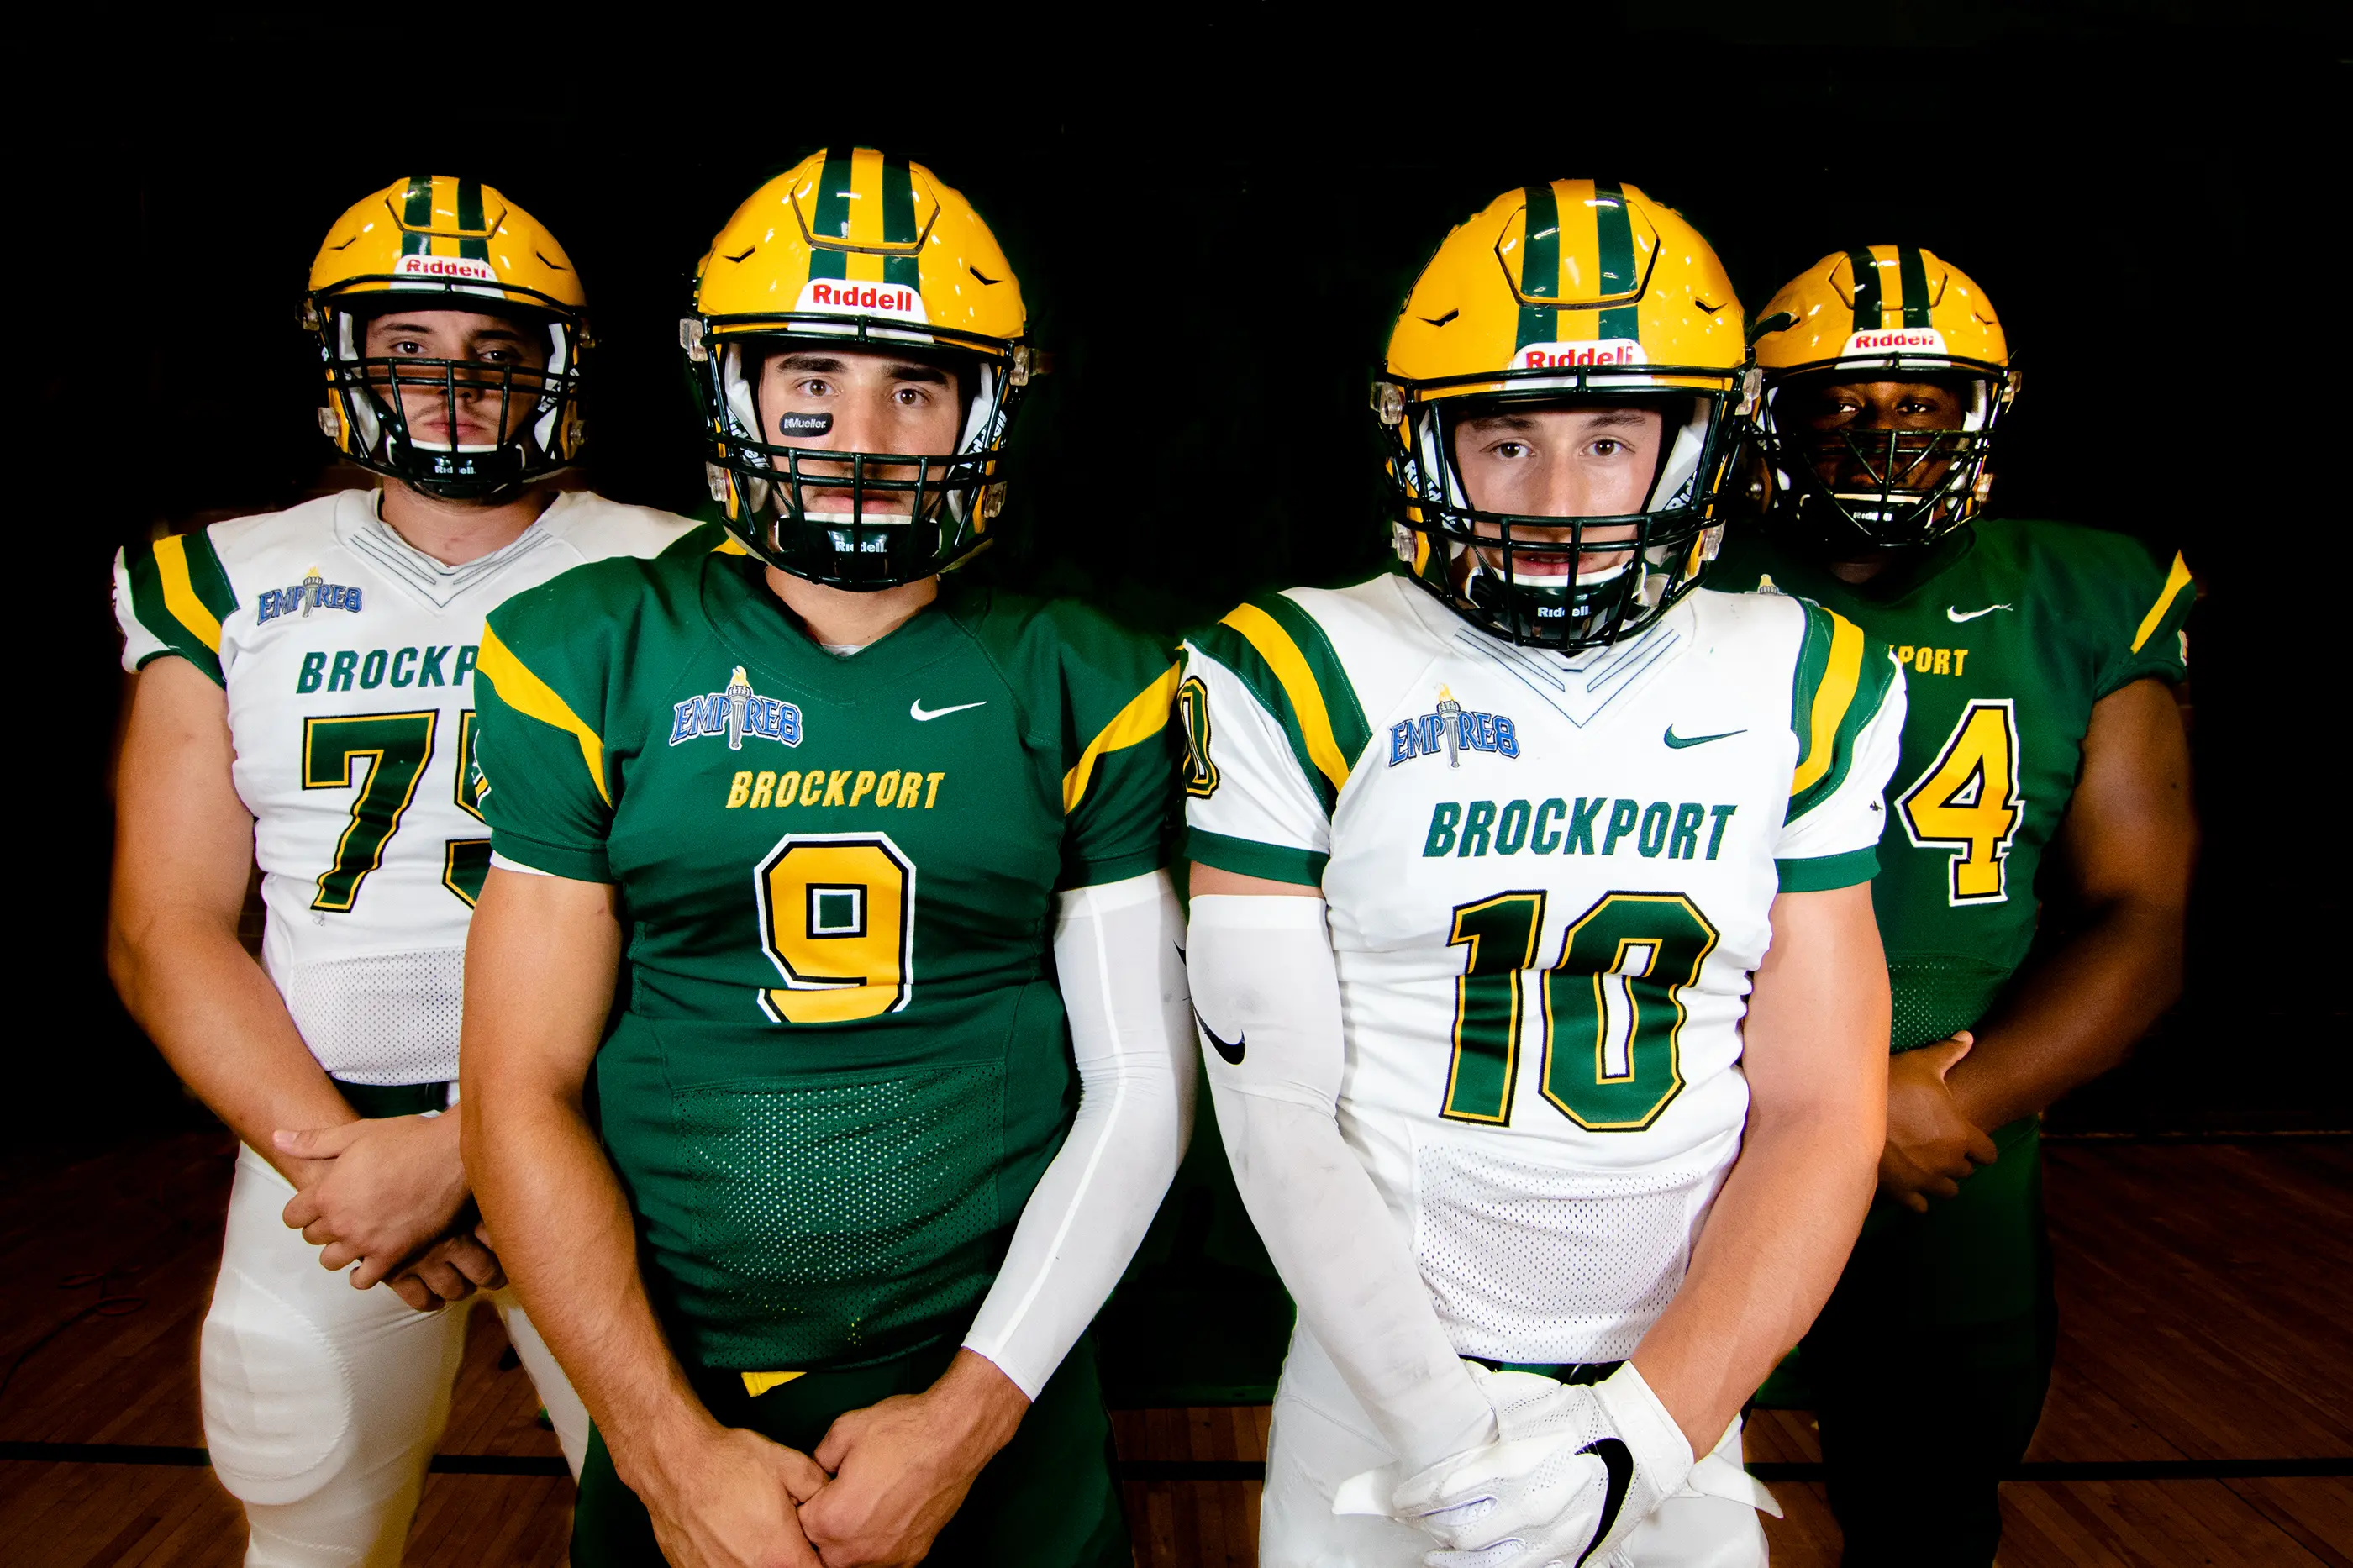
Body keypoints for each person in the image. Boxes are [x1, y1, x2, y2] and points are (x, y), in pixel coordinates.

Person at [456, 148, 1194, 1568]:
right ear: (734, 391)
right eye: (813, 379)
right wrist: (668, 1455)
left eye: (914, 387)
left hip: (992, 1350)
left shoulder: (1083, 674)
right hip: (678, 1360)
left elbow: (1141, 1079)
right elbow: (515, 1087)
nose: (860, 433)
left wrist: (967, 1418)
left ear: (985, 410)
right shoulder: (590, 649)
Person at [1179, 180, 1908, 1568]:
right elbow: (1276, 1110)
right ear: (1427, 440)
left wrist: (1639, 1433)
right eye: (1507, 440)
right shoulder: (1296, 666)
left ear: (1694, 447)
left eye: (1611, 440)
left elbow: (1823, 1111)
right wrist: (1447, 1436)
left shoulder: (1804, 674)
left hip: (1678, 1387)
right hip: (1381, 1391)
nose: (1560, 499)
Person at [108, 175, 698, 1566]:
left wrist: (468, 1150)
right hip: (325, 1150)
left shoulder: (680, 570)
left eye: (496, 352)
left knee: (689, 1523)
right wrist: (345, 1164)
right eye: (408, 349)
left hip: (613, 1131)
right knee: (305, 1512)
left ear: (559, 367)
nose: (453, 387)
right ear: (342, 360)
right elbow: (163, 924)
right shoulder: (225, 579)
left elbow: (708, 904)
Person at [1715, 245, 2197, 1566]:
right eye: (1839, 401)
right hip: (1692, 1124)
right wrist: (1840, 1109)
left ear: (1982, 412)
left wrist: (1943, 1102)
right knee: (1627, 1504)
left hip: (1949, 1144)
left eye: (1919, 402)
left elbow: (2143, 918)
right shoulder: (1684, 586)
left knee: (1927, 1522)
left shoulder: (2081, 591)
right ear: (1770, 417)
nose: (1882, 434)